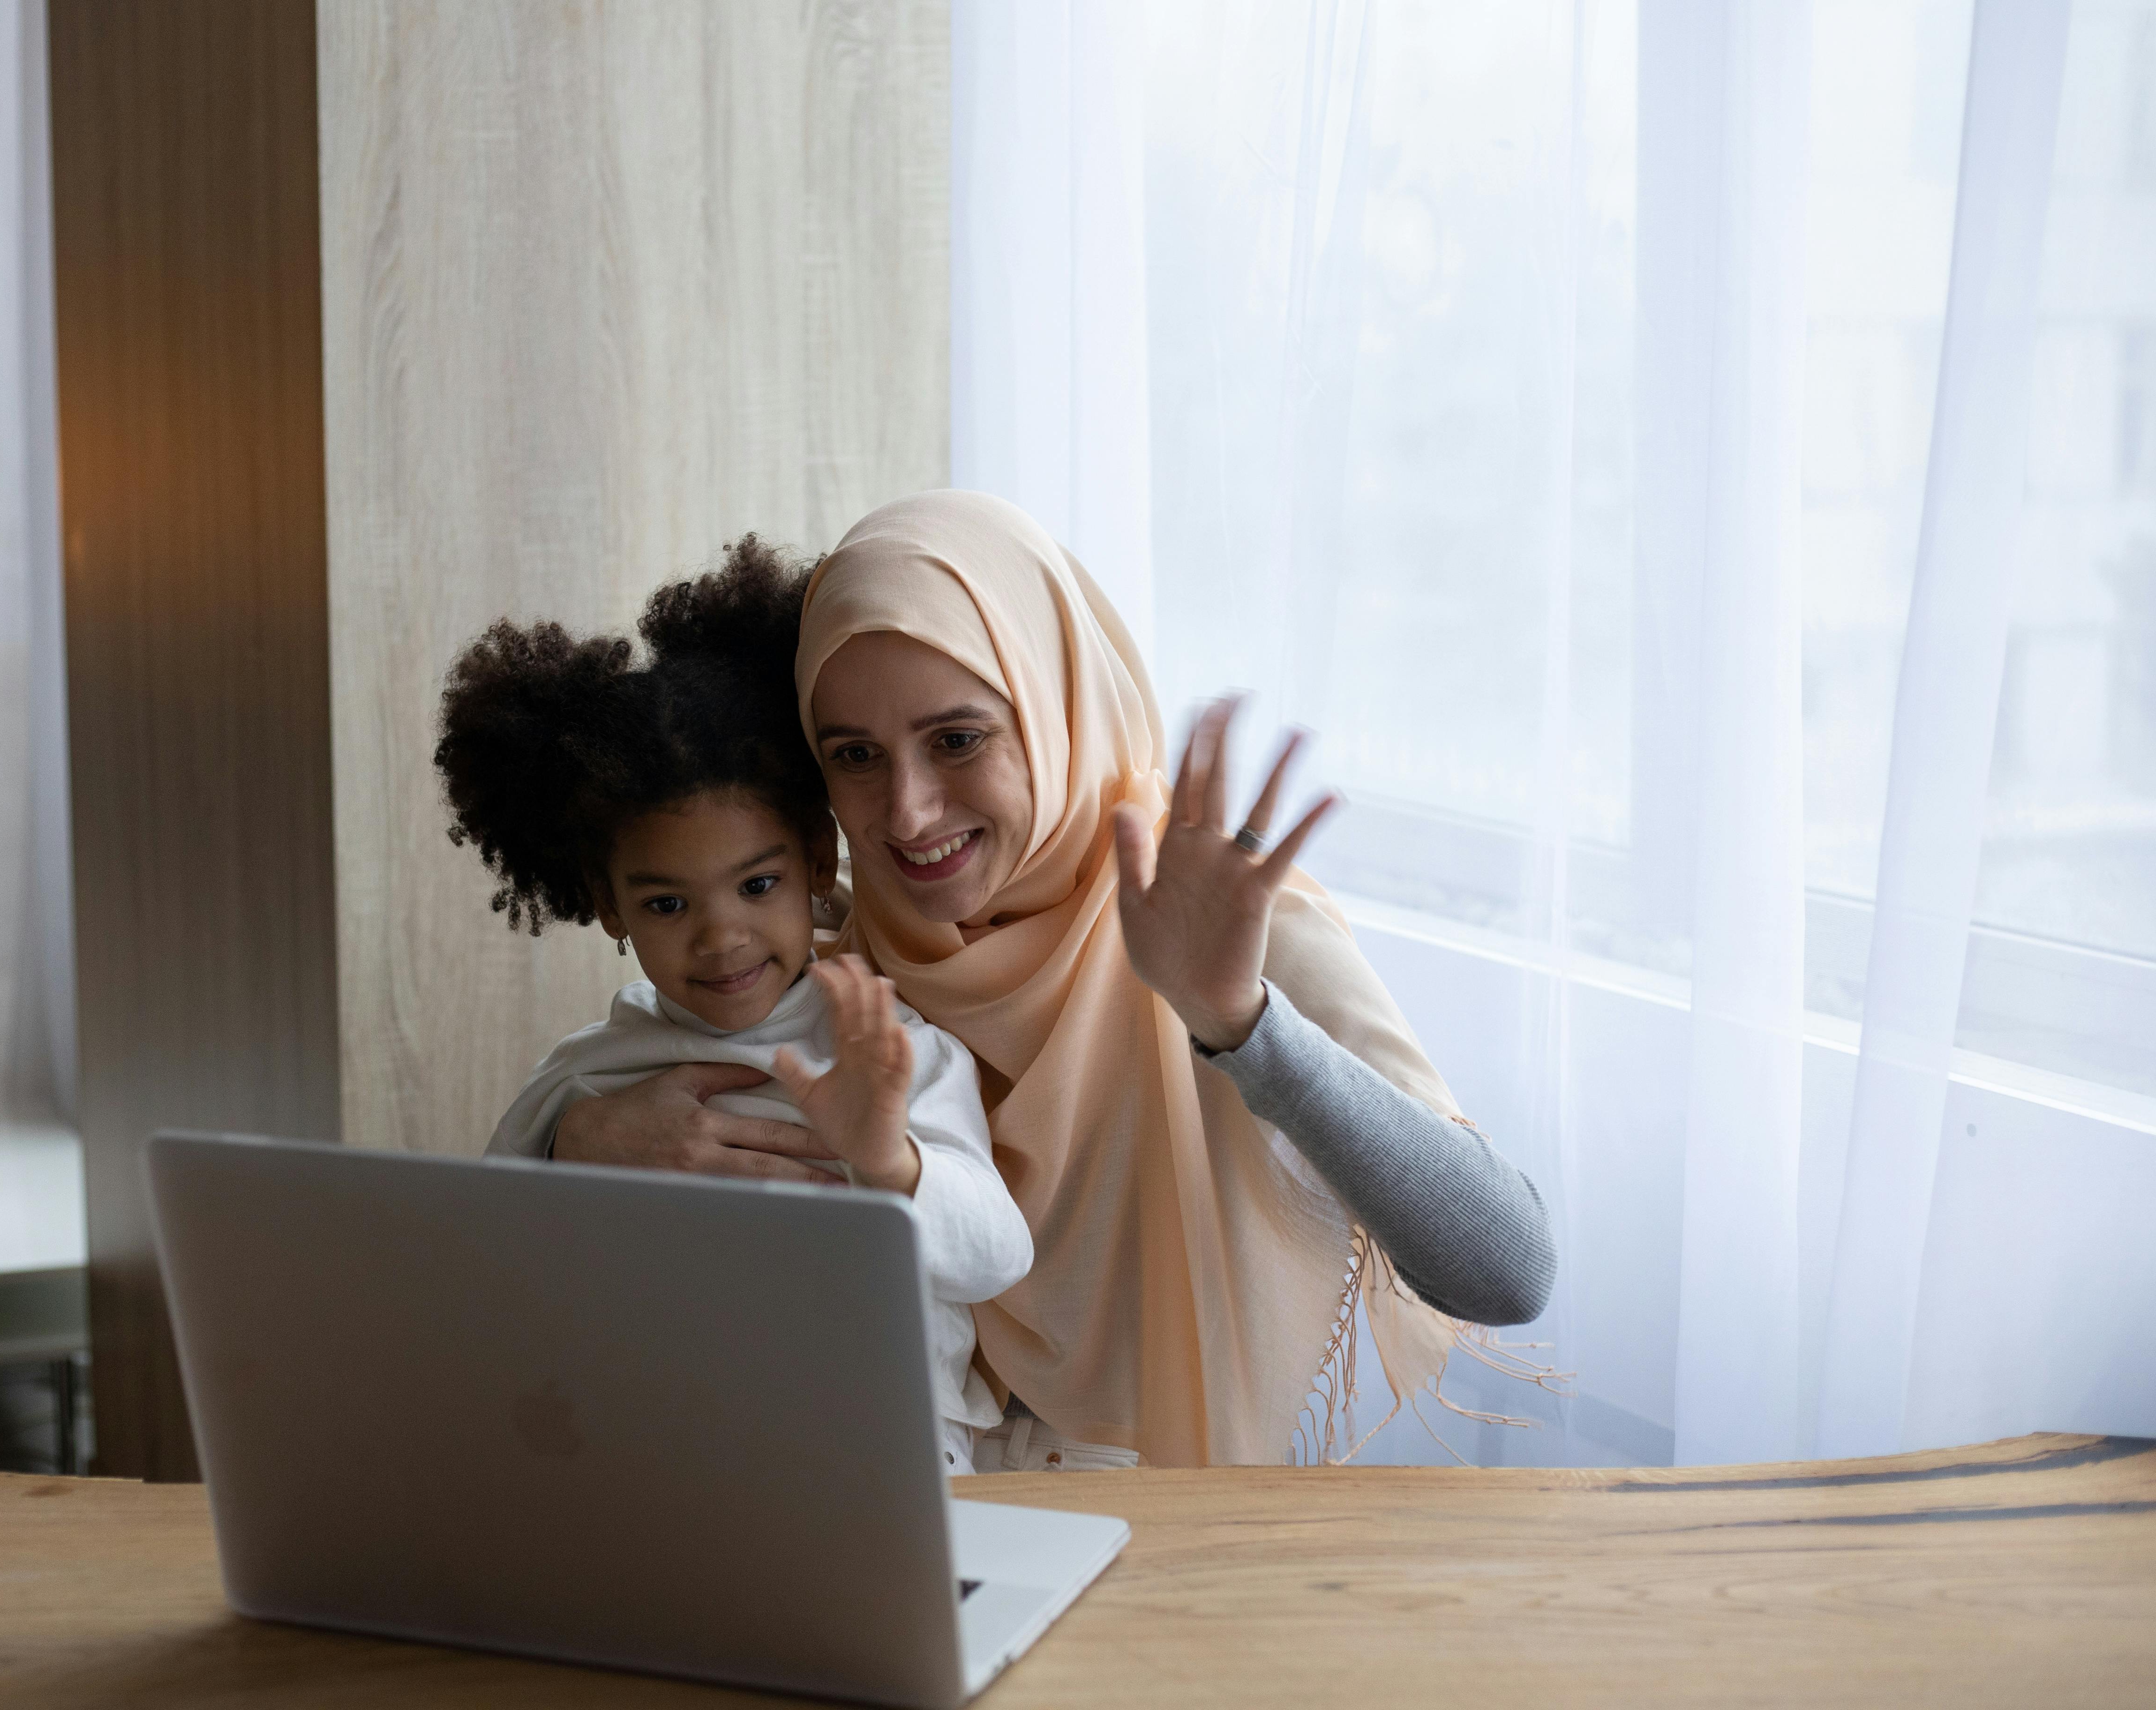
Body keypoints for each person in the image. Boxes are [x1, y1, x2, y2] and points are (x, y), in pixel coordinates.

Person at [555, 493, 1557, 1469]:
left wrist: (1238, 1022)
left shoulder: (1218, 920)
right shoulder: (836, 948)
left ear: (1054, 707)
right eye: (855, 755)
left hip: (1182, 1520)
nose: (906, 814)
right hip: (911, 1503)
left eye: (958, 740)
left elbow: (1507, 1271)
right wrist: (574, 1141)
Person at [435, 538, 1033, 1471]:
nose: (721, 939)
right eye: (669, 904)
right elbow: (487, 1248)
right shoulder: (587, 1074)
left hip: (884, 1455)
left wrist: (889, 1159)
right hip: (661, 1451)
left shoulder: (888, 1049)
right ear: (608, 904)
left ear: (814, 864)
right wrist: (568, 1149)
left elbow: (997, 1257)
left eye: (757, 887)